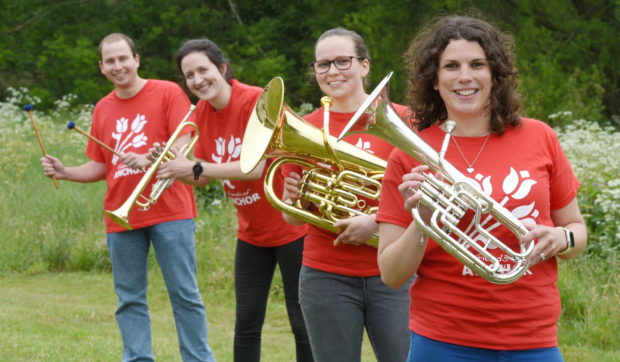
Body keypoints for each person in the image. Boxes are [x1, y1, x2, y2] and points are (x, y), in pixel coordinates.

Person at [376, 15, 588, 361]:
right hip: (443, 340)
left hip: (534, 338)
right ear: (434, 79)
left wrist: (561, 239)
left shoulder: (540, 136)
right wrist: (423, 219)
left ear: (494, 74)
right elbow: (392, 274)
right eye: (451, 66)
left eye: (477, 64)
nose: (464, 76)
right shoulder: (409, 155)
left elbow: (577, 231)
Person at [40, 33, 215, 361]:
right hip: (121, 216)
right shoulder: (103, 108)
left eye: (123, 58)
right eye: (110, 61)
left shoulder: (166, 92)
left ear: (136, 60)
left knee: (185, 295)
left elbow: (182, 145)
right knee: (130, 299)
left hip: (170, 210)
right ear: (102, 68)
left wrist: (150, 158)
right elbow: (100, 166)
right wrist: (64, 171)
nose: (118, 66)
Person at [151, 38, 312, 362]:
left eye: (203, 69)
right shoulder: (199, 115)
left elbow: (261, 166)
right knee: (247, 323)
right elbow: (207, 177)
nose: (198, 80)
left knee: (301, 322)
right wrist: (171, 169)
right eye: (189, 75)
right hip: (251, 233)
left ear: (222, 68)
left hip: (292, 227)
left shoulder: (256, 101)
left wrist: (195, 165)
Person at [280, 28, 412, 362]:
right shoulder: (304, 128)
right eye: (323, 64)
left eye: (343, 61)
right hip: (325, 275)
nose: (333, 71)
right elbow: (291, 216)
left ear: (365, 66)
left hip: (395, 272)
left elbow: (428, 194)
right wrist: (296, 200)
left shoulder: (405, 119)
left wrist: (376, 223)